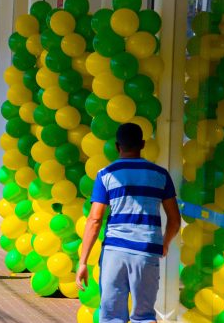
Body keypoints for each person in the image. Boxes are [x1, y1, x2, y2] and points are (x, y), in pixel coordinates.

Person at [76, 123, 181, 323]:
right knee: (145, 317)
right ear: (142, 144)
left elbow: (95, 219)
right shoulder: (160, 175)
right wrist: (164, 244)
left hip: (115, 252)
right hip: (147, 250)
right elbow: (175, 220)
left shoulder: (105, 174)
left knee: (112, 316)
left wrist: (83, 262)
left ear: (117, 146)